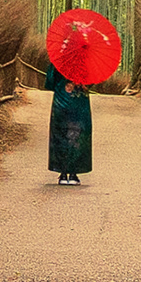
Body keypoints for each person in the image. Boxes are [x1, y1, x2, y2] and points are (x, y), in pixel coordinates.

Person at [46, 50, 92, 184]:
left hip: (61, 98)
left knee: (61, 133)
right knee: (77, 134)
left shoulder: (59, 58)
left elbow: (50, 82)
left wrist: (63, 82)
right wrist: (83, 84)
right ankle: (73, 173)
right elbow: (93, 79)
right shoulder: (87, 60)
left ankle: (63, 173)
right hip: (79, 100)